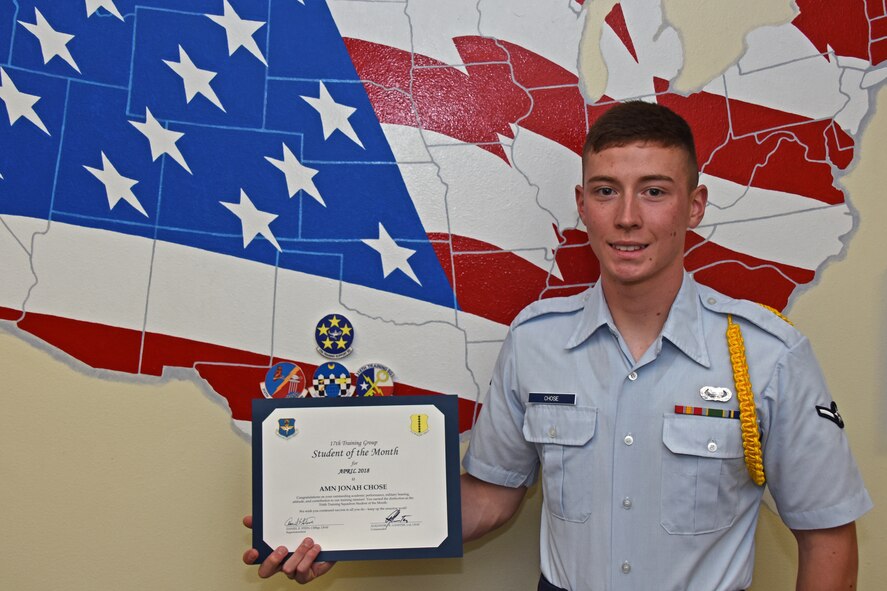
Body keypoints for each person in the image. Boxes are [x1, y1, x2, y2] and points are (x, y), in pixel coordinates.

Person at [243, 101, 873, 589]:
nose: (628, 216)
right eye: (606, 191)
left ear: (694, 205)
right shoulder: (535, 341)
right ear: (582, 204)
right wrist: (335, 528)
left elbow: (828, 536)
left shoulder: (767, 355)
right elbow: (492, 498)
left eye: (654, 191)